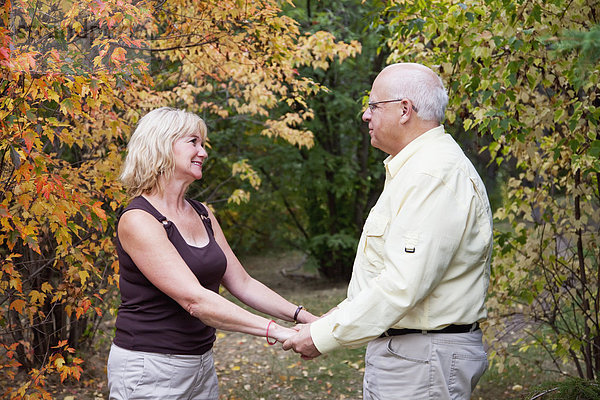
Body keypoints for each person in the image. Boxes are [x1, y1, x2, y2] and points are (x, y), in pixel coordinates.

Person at [283, 63, 493, 399]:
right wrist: (332, 318)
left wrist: (323, 336)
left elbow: (402, 286)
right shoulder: (417, 170)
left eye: (373, 106)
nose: (365, 116)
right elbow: (390, 275)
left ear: (405, 110)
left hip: (422, 360)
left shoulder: (432, 175)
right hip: (412, 354)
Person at [107, 107, 317, 400]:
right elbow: (195, 300)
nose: (203, 152)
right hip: (149, 367)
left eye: (202, 144)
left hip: (201, 363)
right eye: (193, 142)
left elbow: (243, 283)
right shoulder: (139, 220)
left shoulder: (202, 213)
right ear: (162, 145)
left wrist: (305, 319)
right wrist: (278, 332)